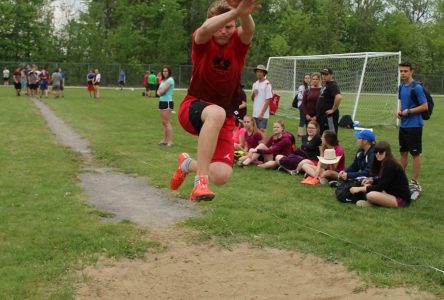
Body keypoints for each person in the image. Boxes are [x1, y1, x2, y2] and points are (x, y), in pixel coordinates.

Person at [170, 0, 261, 202]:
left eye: (229, 27)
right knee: (216, 112)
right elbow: (204, 30)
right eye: (219, 26)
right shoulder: (202, 40)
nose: (224, 31)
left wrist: (242, 13)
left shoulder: (238, 42)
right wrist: (233, 13)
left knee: (221, 175)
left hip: (225, 118)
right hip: (193, 107)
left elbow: (249, 29)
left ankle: (187, 164)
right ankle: (200, 183)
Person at [397, 61, 428, 199]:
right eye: (401, 71)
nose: (403, 73)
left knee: (415, 154)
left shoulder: (417, 87)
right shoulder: (401, 87)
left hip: (414, 126)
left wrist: (409, 111)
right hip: (403, 126)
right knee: (403, 153)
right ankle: (400, 179)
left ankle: (414, 182)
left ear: (411, 72)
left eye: (405, 71)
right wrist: (398, 111)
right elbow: (401, 103)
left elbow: (425, 106)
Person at [350, 141, 411, 208]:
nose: (378, 154)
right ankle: (375, 201)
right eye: (376, 152)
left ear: (386, 153)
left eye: (381, 152)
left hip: (401, 199)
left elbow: (380, 187)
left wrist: (359, 189)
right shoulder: (384, 162)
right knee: (368, 187)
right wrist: (372, 180)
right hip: (390, 192)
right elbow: (383, 179)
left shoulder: (390, 165)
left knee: (371, 195)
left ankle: (373, 202)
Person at [317, 68, 342, 135]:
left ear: (331, 75)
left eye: (326, 74)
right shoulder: (326, 84)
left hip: (329, 116)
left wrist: (333, 109)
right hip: (322, 116)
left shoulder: (332, 85)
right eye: (323, 74)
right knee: (322, 134)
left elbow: (338, 97)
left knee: (331, 135)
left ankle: (333, 145)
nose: (323, 76)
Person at [157, 66, 175, 147]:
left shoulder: (170, 80)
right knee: (164, 122)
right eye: (163, 71)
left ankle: (170, 141)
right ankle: (165, 140)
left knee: (167, 122)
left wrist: (160, 91)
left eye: (166, 71)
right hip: (161, 102)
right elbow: (158, 91)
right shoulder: (163, 80)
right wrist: (160, 91)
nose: (165, 72)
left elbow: (162, 91)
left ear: (169, 72)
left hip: (167, 102)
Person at [251, 64, 272, 131]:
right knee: (255, 134)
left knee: (261, 135)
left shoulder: (267, 84)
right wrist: (253, 94)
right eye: (257, 71)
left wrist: (261, 114)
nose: (259, 73)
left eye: (261, 72)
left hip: (263, 115)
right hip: (255, 113)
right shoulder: (255, 84)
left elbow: (268, 100)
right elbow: (252, 99)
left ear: (264, 73)